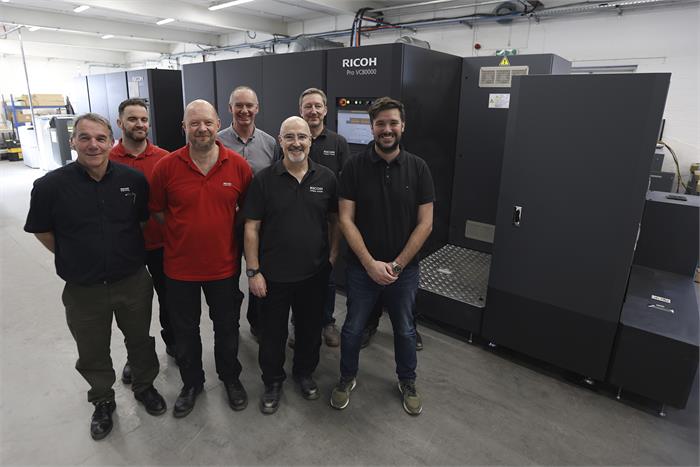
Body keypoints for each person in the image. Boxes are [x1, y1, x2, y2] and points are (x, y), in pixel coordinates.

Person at [24, 113, 166, 440]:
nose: (93, 145)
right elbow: (42, 231)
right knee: (92, 349)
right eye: (85, 138)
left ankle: (145, 386)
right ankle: (102, 400)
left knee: (140, 340)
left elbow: (140, 222)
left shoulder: (133, 180)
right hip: (83, 289)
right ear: (72, 141)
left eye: (101, 138)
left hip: (132, 281)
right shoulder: (50, 187)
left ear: (110, 141)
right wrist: (73, 255)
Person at [330, 97, 434, 416]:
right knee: (352, 329)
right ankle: (347, 377)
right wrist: (369, 263)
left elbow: (426, 223)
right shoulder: (354, 167)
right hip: (362, 270)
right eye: (380, 124)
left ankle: (407, 381)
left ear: (403, 126)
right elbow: (345, 219)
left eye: (392, 123)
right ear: (372, 127)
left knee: (405, 329)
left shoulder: (418, 168)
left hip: (405, 271)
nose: (387, 129)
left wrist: (397, 265)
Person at [149, 100, 253, 418]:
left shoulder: (238, 166)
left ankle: (230, 378)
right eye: (194, 123)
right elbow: (158, 210)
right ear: (184, 127)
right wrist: (184, 233)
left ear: (218, 124)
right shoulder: (166, 167)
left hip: (224, 266)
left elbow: (247, 213)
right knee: (185, 331)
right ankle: (192, 384)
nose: (202, 128)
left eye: (207, 122)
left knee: (227, 328)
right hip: (179, 269)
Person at [244, 116, 339, 414]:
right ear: (280, 141)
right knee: (273, 334)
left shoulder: (326, 178)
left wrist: (332, 257)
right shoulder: (264, 180)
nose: (296, 143)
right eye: (290, 137)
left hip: (314, 273)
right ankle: (273, 382)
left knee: (310, 330)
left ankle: (304, 374)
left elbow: (335, 221)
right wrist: (253, 271)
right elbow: (251, 227)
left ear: (310, 141)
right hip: (273, 276)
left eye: (302, 137)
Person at [109, 98, 174, 386]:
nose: (139, 124)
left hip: (162, 245)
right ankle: (136, 356)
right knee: (132, 309)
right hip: (126, 249)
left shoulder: (165, 158)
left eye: (143, 119)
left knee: (170, 300)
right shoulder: (107, 159)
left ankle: (174, 343)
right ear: (120, 122)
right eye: (132, 119)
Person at [289, 87, 350, 348]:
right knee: (295, 276)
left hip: (327, 223)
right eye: (308, 106)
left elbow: (346, 184)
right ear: (300, 110)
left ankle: (327, 322)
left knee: (327, 277)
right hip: (296, 222)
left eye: (317, 106)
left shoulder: (338, 143)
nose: (313, 111)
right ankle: (297, 323)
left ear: (325, 110)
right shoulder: (291, 140)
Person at [217, 86, 277, 341]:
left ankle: (258, 322)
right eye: (238, 105)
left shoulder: (270, 143)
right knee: (228, 278)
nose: (244, 110)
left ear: (257, 108)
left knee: (259, 272)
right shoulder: (216, 141)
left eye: (249, 105)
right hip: (226, 223)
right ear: (230, 108)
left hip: (260, 224)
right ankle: (229, 324)